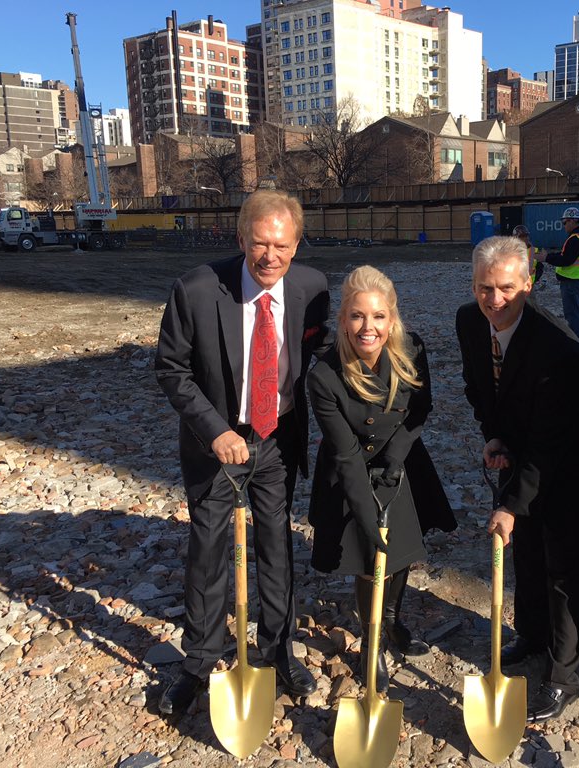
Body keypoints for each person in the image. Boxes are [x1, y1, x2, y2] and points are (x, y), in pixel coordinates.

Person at [155, 189, 330, 715]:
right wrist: (215, 430)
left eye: (281, 245)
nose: (269, 256)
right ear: (240, 239)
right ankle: (197, 661)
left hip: (277, 440)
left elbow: (318, 355)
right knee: (208, 551)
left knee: (276, 545)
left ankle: (279, 650)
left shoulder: (313, 288)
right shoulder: (196, 290)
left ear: (296, 245)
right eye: (258, 244)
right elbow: (172, 369)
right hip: (217, 444)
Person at [456, 235, 579, 723]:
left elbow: (552, 441)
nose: (494, 300)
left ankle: (565, 673)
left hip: (572, 466)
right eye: (485, 288)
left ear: (528, 282)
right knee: (524, 552)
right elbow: (479, 386)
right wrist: (495, 435)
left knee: (562, 570)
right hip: (523, 451)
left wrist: (509, 503)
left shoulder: (558, 347)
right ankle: (532, 634)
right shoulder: (470, 321)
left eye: (506, 288)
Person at [308, 265, 455, 692]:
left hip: (400, 458)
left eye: (377, 316)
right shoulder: (324, 375)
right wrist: (366, 514)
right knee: (370, 562)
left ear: (392, 318)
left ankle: (392, 622)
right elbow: (346, 454)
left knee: (402, 552)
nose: (367, 327)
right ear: (343, 319)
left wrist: (397, 455)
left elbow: (420, 409)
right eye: (357, 316)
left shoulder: (411, 349)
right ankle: (371, 645)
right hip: (349, 467)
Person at [532, 207, 579, 343]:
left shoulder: (575, 239)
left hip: (571, 281)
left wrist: (546, 259)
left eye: (565, 222)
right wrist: (548, 256)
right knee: (575, 312)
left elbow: (566, 260)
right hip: (575, 280)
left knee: (572, 314)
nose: (564, 226)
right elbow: (564, 255)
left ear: (573, 221)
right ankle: (578, 338)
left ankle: (576, 341)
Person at [512, 224, 543, 288]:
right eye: (523, 236)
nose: (526, 238)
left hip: (529, 287)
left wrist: (535, 278)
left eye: (526, 236)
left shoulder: (534, 250)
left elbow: (539, 267)